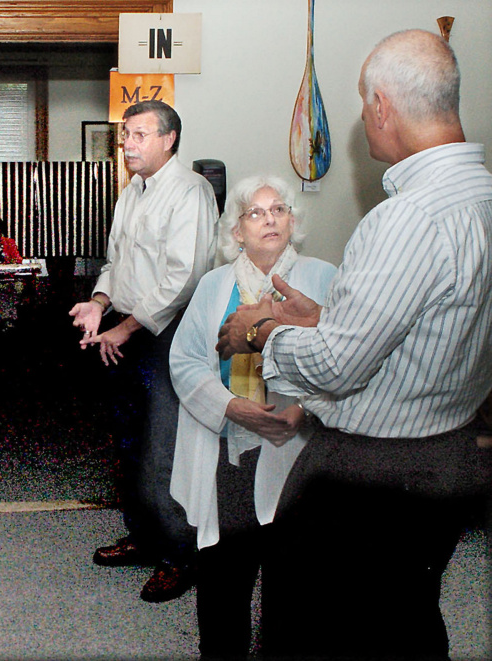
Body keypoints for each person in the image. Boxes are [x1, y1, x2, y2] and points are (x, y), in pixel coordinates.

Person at [216, 30, 492, 658]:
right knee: (404, 617)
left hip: (371, 476)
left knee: (307, 627)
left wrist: (260, 330)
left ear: (382, 107)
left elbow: (338, 368)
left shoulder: (407, 217)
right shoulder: (480, 196)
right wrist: (324, 316)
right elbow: (430, 325)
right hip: (449, 453)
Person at [168, 176, 336, 658]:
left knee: (294, 572)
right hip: (226, 445)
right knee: (223, 570)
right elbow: (184, 361)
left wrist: (302, 410)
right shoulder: (213, 285)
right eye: (255, 213)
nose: (269, 219)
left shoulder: (323, 277)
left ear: (292, 222)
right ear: (237, 232)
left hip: (297, 448)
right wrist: (230, 407)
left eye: (278, 209)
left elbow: (343, 359)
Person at [69, 100, 218, 602]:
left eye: (138, 134)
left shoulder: (190, 192)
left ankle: (181, 554)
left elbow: (184, 279)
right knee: (128, 440)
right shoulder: (133, 191)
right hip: (125, 329)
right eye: (125, 135)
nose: (128, 144)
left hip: (165, 337)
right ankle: (144, 535)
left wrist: (126, 328)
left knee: (163, 448)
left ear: (169, 139)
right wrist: (97, 304)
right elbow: (116, 262)